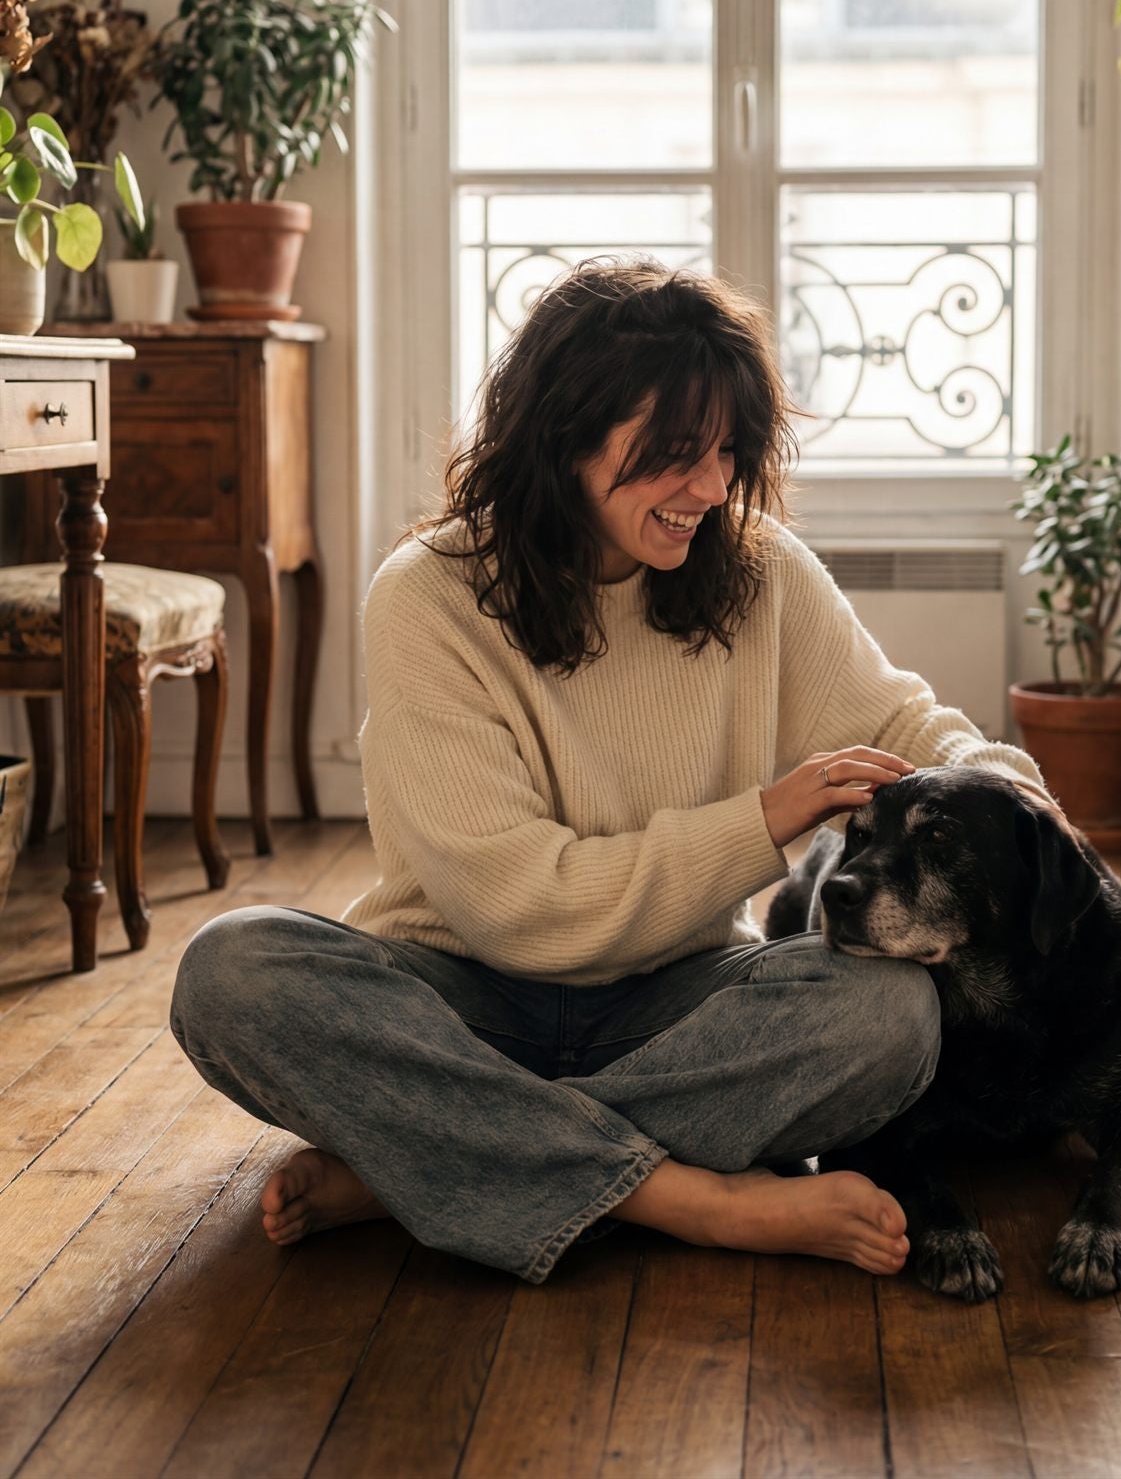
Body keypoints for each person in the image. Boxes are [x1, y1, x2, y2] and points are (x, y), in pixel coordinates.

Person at [170, 255, 1054, 1287]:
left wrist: (1025, 810)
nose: (714, 487)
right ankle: (694, 1201)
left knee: (891, 1018)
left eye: (730, 451)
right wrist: (762, 820)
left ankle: (422, 1162)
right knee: (230, 973)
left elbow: (909, 722)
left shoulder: (758, 571)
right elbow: (516, 908)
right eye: (679, 453)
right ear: (563, 432)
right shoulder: (427, 598)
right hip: (461, 994)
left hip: (671, 997)